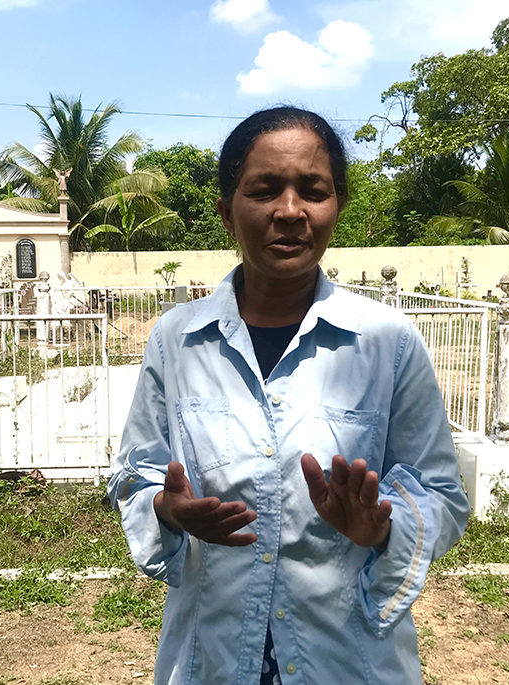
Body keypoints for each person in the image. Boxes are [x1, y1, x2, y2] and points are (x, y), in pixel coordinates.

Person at [108, 107, 469, 684]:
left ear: (338, 207)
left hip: (348, 659)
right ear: (227, 212)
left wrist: (381, 526)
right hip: (213, 657)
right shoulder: (176, 340)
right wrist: (164, 508)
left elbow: (442, 495)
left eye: (314, 191)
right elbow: (134, 473)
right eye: (265, 190)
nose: (291, 212)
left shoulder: (387, 342)